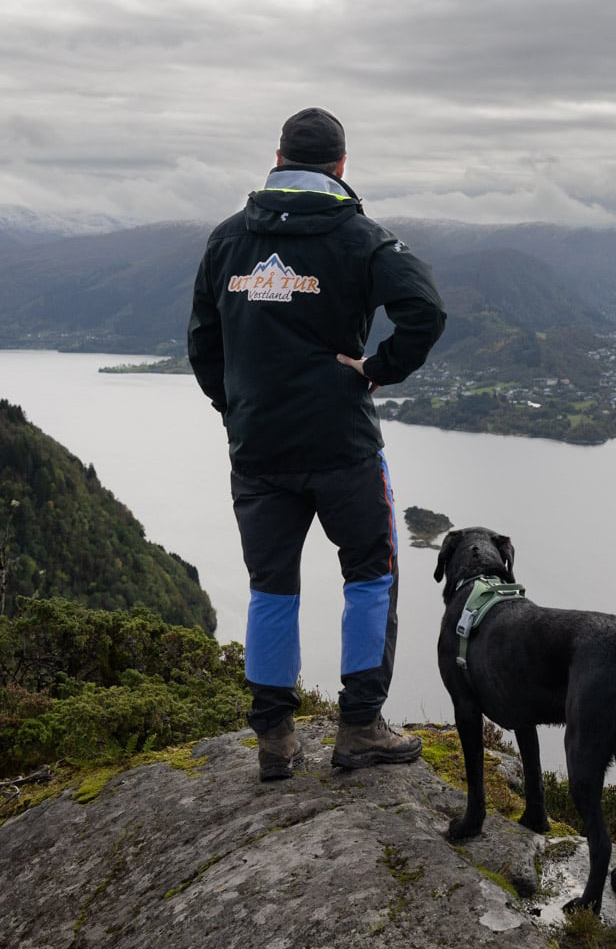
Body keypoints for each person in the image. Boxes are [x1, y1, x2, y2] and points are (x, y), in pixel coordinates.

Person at [188, 107, 447, 781]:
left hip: (258, 449)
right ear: (341, 165)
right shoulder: (360, 236)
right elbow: (425, 308)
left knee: (271, 585)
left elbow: (202, 342)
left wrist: (236, 406)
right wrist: (378, 370)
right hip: (341, 444)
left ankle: (275, 739)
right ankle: (359, 727)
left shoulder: (227, 239)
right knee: (370, 572)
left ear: (277, 159)